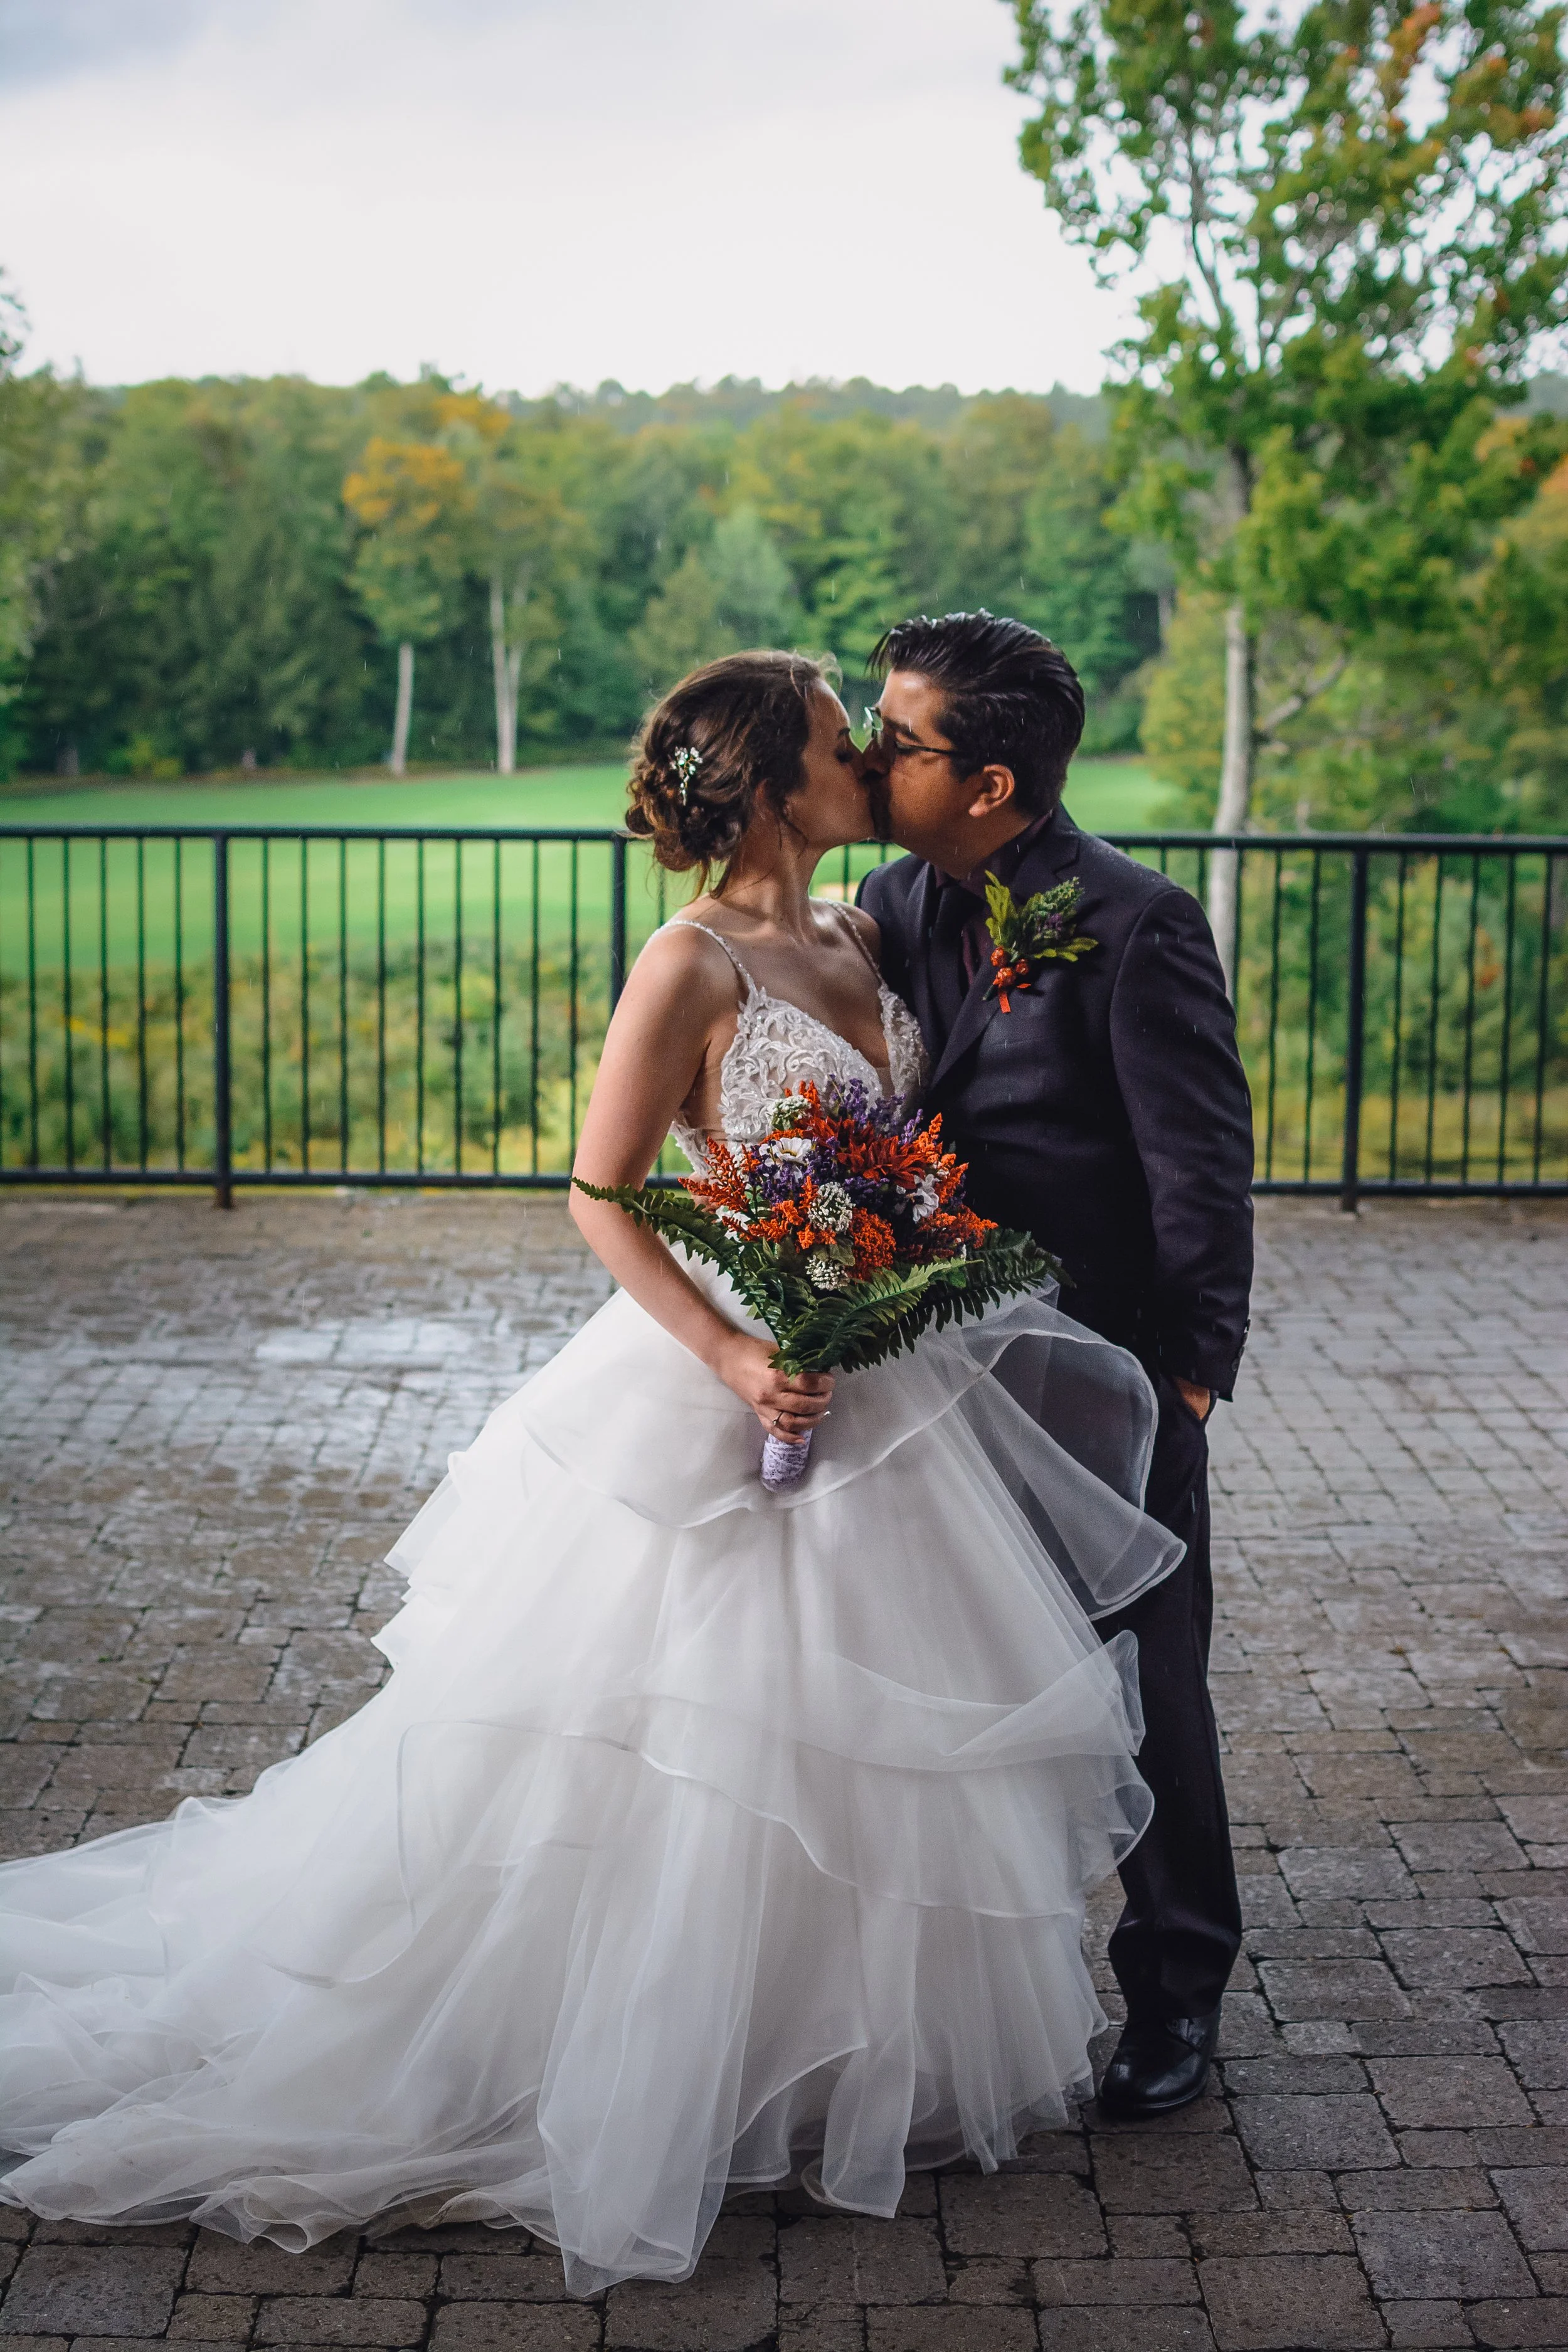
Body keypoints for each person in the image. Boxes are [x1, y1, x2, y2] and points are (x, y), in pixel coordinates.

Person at [0, 652, 1182, 2292]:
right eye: (845, 744)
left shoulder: (860, 931)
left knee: (867, 1729)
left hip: (886, 1385)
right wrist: (735, 1357)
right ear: (775, 782)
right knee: (684, 1738)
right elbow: (600, 1191)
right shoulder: (687, 961)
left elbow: (913, 1144)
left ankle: (821, 2046)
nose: (868, 764)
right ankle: (624, 2050)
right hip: (725, 1378)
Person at [859, 612, 1254, 2119]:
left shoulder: (1136, 922)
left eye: (900, 739)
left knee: (1147, 1683)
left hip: (1101, 1378)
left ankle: (1177, 1994)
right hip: (928, 1378)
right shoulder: (891, 900)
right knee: (951, 1677)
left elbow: (1198, 1173)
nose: (871, 752)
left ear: (990, 781)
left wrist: (1188, 1382)